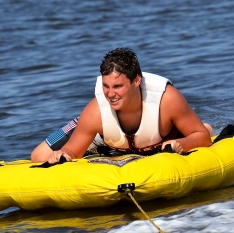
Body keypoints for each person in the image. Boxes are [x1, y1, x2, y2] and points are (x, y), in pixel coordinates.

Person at [31, 48, 213, 163]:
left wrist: (182, 142)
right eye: (106, 86)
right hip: (106, 136)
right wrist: (65, 154)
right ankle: (100, 147)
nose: (110, 94)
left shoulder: (167, 99)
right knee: (39, 156)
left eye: (118, 86)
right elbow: (71, 150)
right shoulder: (96, 110)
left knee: (204, 130)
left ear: (136, 81)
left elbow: (202, 137)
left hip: (162, 138)